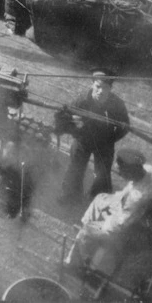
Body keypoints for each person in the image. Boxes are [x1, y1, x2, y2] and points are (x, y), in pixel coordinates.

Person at [65, 149, 152, 273]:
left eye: (121, 171)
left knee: (85, 232)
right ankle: (86, 228)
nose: (118, 173)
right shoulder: (147, 169)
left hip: (140, 229)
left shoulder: (139, 197)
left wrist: (100, 223)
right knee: (100, 198)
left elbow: (119, 226)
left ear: (131, 170)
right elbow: (128, 193)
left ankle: (77, 264)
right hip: (135, 211)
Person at [58, 70, 130, 205]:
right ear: (92, 85)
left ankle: (98, 200)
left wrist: (111, 139)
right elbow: (63, 118)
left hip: (104, 142)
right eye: (98, 87)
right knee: (75, 167)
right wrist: (76, 131)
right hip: (83, 140)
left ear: (110, 89)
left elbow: (125, 126)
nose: (101, 91)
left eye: (106, 88)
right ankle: (69, 195)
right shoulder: (81, 100)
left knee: (102, 173)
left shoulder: (117, 104)